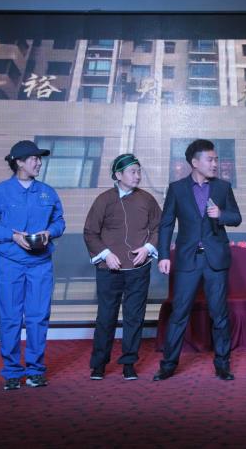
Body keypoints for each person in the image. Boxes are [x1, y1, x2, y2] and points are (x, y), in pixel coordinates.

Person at [0, 140, 65, 390]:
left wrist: (49, 232)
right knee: (10, 318)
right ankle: (12, 372)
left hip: (40, 264)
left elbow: (59, 222)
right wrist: (12, 236)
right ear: (19, 162)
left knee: (38, 317)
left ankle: (36, 370)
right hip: (10, 264)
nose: (39, 163)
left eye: (39, 158)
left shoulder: (48, 192)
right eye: (34, 158)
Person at [154, 139, 242, 381]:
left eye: (216, 159)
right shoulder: (177, 189)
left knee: (219, 314)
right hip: (187, 260)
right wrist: (163, 255)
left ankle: (222, 365)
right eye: (210, 159)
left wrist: (221, 215)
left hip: (215, 260)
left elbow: (236, 217)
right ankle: (168, 365)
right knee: (179, 313)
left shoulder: (223, 187)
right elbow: (166, 224)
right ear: (195, 162)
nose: (215, 164)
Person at [83, 154, 161, 382]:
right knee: (106, 317)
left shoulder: (147, 199)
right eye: (132, 172)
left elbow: (159, 227)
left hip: (139, 268)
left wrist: (148, 248)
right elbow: (90, 232)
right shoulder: (103, 200)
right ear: (118, 175)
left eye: (139, 171)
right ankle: (99, 365)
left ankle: (129, 363)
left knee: (134, 317)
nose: (138, 176)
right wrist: (106, 255)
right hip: (110, 269)